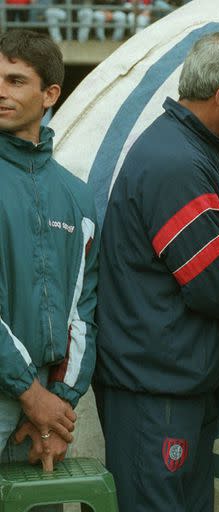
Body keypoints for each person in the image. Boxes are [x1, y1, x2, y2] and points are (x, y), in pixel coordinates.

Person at [94, 31, 219, 511]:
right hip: (156, 386)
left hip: (173, 377)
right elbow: (218, 285)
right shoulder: (176, 163)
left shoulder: (184, 148)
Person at [0, 29, 98, 472]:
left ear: (50, 94)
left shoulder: (77, 198)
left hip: (42, 415)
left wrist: (57, 408)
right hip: (25, 396)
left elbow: (83, 310)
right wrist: (29, 393)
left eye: (15, 81)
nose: (0, 91)